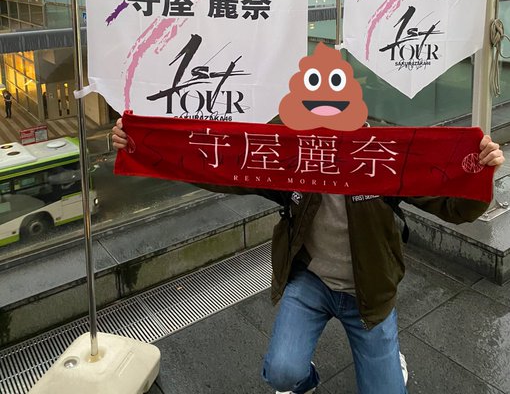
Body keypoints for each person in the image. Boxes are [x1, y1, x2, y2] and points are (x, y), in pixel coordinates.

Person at [112, 119, 504, 394]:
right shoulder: (296, 157)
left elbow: (455, 207)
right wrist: (143, 146)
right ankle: (304, 379)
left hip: (369, 293)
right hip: (311, 282)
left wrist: (481, 170)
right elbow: (226, 171)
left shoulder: (379, 156)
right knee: (282, 373)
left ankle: (388, 358)